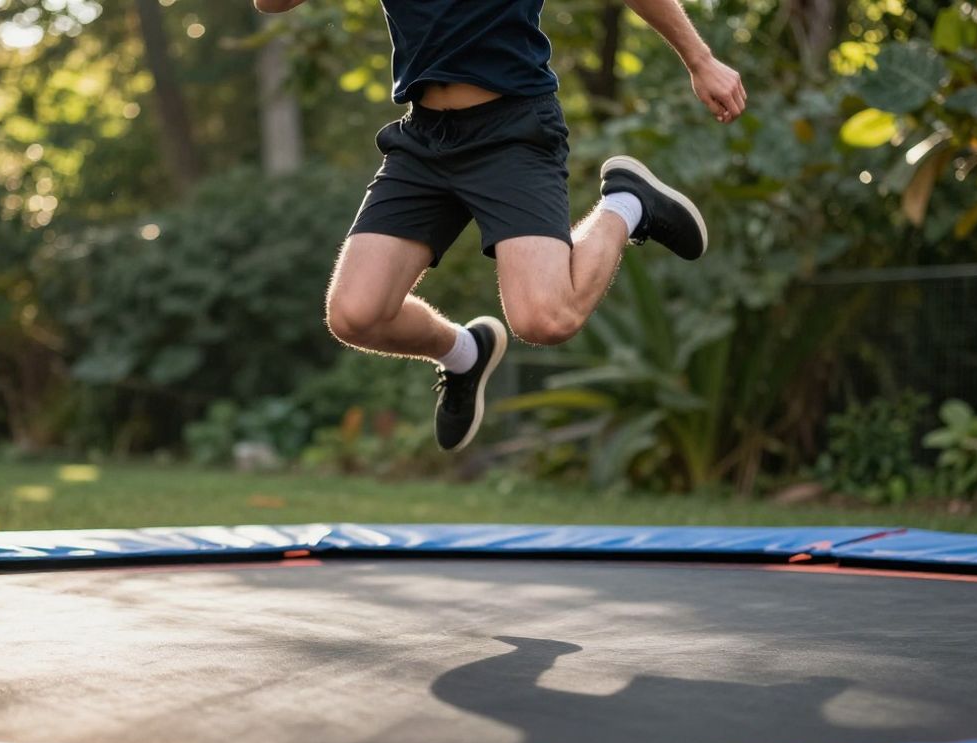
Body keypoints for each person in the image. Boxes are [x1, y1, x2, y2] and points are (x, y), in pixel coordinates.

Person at [254, 0, 745, 452]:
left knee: (546, 320)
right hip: (424, 139)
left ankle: (626, 204)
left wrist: (700, 60)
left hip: (512, 131)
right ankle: (464, 354)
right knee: (354, 315)